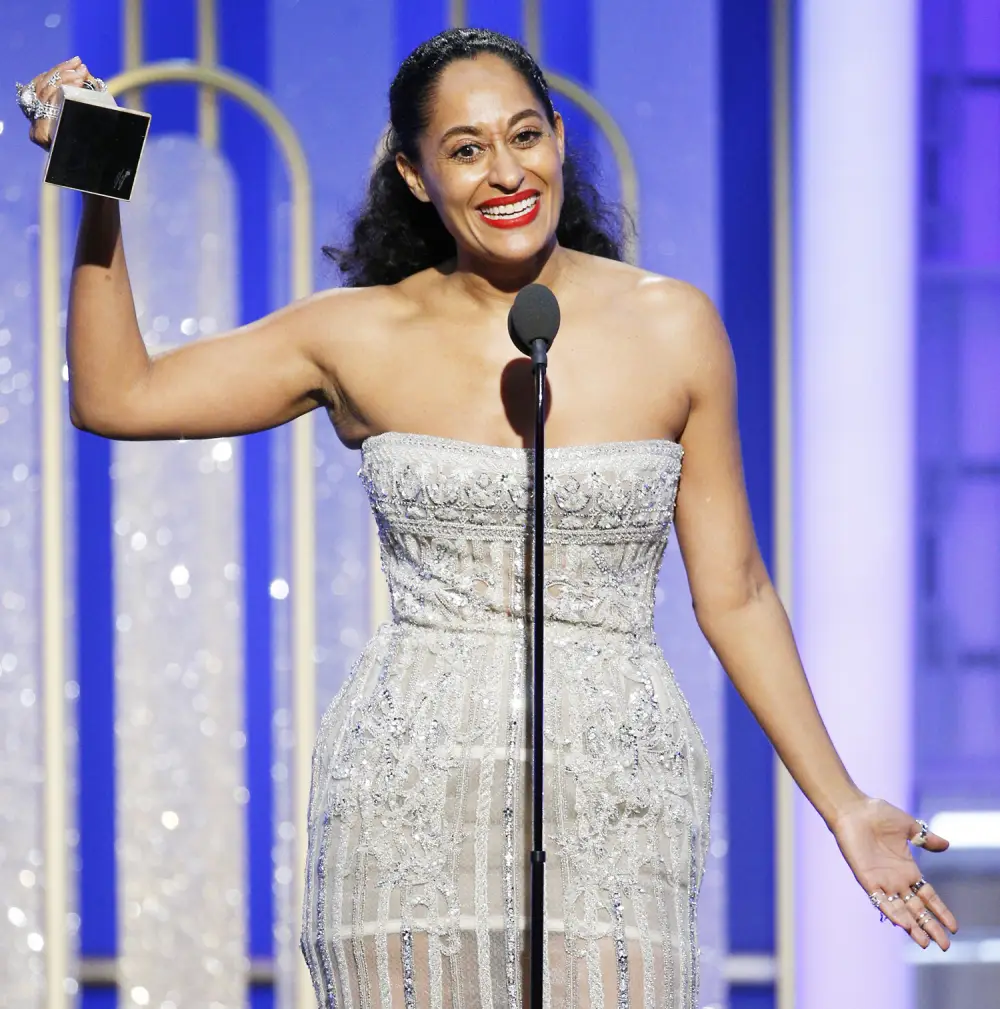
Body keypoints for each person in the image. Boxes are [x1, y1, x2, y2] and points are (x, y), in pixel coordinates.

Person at [22, 27, 957, 1009]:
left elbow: (736, 592)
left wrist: (843, 803)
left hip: (614, 798)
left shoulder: (672, 324)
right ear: (417, 176)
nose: (505, 171)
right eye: (466, 150)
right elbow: (118, 397)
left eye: (523, 137)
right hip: (403, 804)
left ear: (558, 139)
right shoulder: (354, 333)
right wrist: (98, 190)